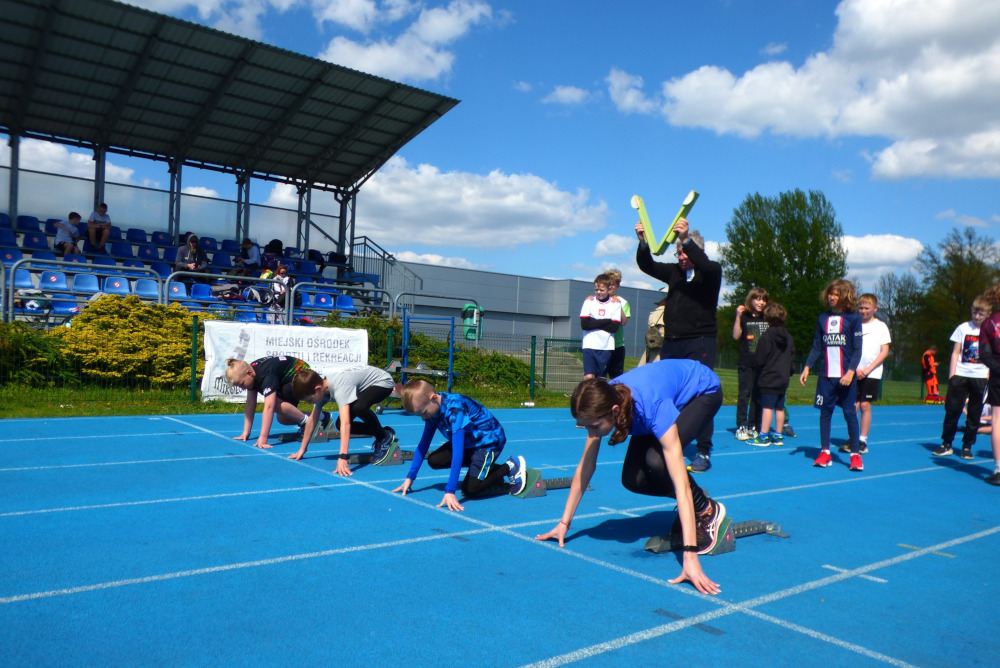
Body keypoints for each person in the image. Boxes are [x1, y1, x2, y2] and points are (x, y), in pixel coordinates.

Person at [535, 360, 726, 595]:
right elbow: (586, 466)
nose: (591, 433)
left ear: (615, 412)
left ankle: (707, 509)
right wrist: (564, 524)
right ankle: (697, 503)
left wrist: (690, 556)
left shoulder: (653, 405)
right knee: (632, 479)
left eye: (593, 427)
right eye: (584, 427)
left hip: (703, 392)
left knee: (658, 462)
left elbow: (680, 484)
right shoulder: (604, 401)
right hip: (654, 399)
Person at [634, 217, 722, 472]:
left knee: (701, 393)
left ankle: (703, 450)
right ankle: (668, 440)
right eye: (678, 253)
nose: (681, 257)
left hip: (699, 342)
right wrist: (643, 243)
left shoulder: (711, 272)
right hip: (672, 343)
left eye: (685, 252)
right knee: (668, 393)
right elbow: (647, 264)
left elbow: (706, 265)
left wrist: (685, 239)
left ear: (698, 250)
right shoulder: (674, 272)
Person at [392, 379, 529, 511]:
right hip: (469, 442)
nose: (423, 418)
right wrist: (410, 477)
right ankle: (481, 468)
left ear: (433, 398)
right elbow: (423, 444)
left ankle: (510, 466)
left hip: (487, 443)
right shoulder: (431, 411)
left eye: (424, 413)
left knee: (470, 489)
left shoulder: (455, 410)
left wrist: (450, 490)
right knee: (434, 460)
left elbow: (457, 453)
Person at [799, 279, 864, 471]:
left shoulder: (853, 318)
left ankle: (855, 455)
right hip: (826, 377)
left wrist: (851, 372)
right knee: (825, 413)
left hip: (846, 377)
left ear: (845, 296)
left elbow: (858, 349)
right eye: (830, 293)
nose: (832, 297)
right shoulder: (822, 318)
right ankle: (825, 452)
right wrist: (807, 366)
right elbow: (817, 345)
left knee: (849, 414)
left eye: (836, 294)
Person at [290, 366, 397, 475]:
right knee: (339, 424)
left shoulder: (340, 387)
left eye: (309, 400)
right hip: (363, 387)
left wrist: (342, 457)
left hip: (382, 382)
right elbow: (312, 420)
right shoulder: (321, 391)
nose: (309, 403)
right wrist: (302, 449)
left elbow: (346, 423)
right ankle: (383, 433)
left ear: (318, 389)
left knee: (359, 408)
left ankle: (383, 436)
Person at [933, 298, 989, 460]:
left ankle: (967, 446)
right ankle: (946, 443)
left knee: (974, 414)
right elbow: (955, 352)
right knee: (953, 410)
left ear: (988, 314)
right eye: (974, 312)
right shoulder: (963, 328)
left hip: (980, 377)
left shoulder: (991, 332)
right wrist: (952, 375)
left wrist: (988, 376)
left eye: (981, 314)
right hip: (961, 375)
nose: (977, 316)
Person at [840, 293, 891, 455]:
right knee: (852, 406)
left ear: (875, 309)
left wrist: (868, 370)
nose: (863, 311)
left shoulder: (881, 326)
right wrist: (854, 369)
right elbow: (847, 348)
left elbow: (884, 351)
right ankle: (851, 438)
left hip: (872, 373)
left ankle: (862, 440)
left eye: (866, 308)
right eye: (860, 308)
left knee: (865, 405)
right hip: (854, 371)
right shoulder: (853, 324)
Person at [225, 356, 311, 449]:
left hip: (302, 376)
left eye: (242, 384)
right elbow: (250, 403)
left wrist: (263, 437)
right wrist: (246, 431)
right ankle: (318, 418)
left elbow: (269, 407)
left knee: (274, 404)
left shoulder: (267, 376)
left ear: (249, 373)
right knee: (283, 419)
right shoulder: (251, 374)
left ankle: (308, 423)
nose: (242, 388)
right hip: (288, 378)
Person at [747, 302, 794, 447]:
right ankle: (778, 435)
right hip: (783, 378)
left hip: (769, 377)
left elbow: (760, 357)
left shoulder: (766, 336)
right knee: (780, 407)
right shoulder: (788, 337)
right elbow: (791, 356)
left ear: (767, 318)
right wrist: (789, 371)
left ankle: (763, 436)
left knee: (767, 407)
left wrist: (757, 365)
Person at [733, 287, 769, 440]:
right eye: (758, 299)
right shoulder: (744, 317)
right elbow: (736, 336)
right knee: (744, 394)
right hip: (746, 361)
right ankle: (741, 425)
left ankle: (753, 425)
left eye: (763, 300)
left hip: (762, 364)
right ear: (751, 300)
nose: (761, 303)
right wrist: (737, 316)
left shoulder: (767, 318)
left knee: (757, 395)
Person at [976, 284, 1000, 485]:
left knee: (998, 421)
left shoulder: (989, 323)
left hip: (998, 376)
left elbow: (984, 354)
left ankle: (999, 470)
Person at [580, 272, 622, 380]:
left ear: (608, 289)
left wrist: (593, 321)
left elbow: (614, 327)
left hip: (605, 346)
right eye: (596, 290)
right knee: (589, 376)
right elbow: (585, 325)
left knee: (600, 379)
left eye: (602, 290)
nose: (599, 292)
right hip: (589, 345)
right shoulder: (589, 301)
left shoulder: (615, 304)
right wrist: (607, 320)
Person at [606, 268, 630, 378]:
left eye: (613, 284)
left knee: (616, 377)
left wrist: (618, 305)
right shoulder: (598, 300)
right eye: (608, 284)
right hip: (601, 344)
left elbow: (624, 322)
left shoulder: (623, 302)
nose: (610, 287)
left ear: (618, 286)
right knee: (599, 377)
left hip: (617, 345)